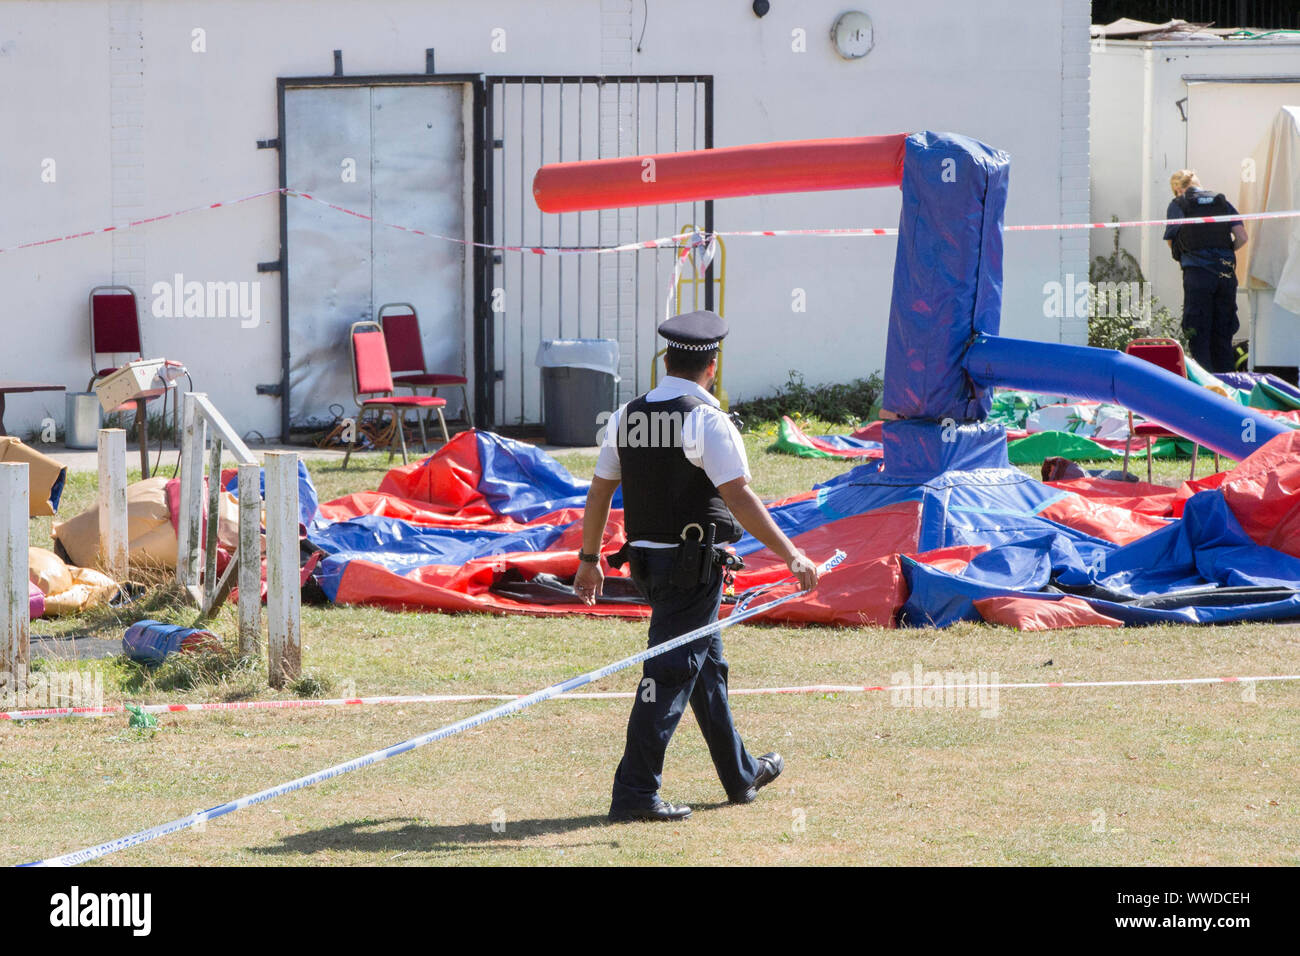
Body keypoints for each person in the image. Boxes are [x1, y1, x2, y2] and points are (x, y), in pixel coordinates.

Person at [574, 309, 820, 823]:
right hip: (692, 571)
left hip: (649, 568)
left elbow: (600, 491)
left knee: (707, 667)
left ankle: (740, 774)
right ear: (713, 367)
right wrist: (792, 554)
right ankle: (636, 792)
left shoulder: (628, 416)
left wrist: (590, 559)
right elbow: (740, 498)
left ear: (666, 361)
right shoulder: (706, 420)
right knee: (666, 676)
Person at [1164, 170, 1249, 372]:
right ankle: (1227, 386)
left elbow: (1171, 240)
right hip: (1226, 274)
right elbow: (1243, 237)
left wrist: (1185, 254)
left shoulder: (1178, 204)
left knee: (1198, 331)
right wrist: (1225, 253)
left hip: (1197, 274)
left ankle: (1204, 387)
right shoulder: (1221, 202)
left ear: (1177, 189)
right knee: (1223, 330)